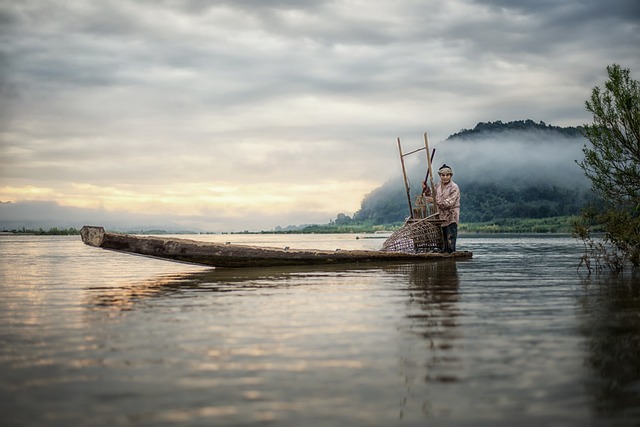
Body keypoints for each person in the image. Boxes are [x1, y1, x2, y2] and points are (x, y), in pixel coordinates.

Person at [422, 164, 460, 253]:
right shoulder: (437, 185)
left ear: (451, 175)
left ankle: (450, 258)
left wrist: (434, 201)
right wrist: (426, 188)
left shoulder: (454, 187)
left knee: (450, 241)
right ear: (440, 176)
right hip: (441, 217)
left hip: (451, 217)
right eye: (443, 175)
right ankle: (443, 259)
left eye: (447, 175)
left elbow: (449, 204)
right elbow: (430, 194)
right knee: (442, 242)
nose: (445, 177)